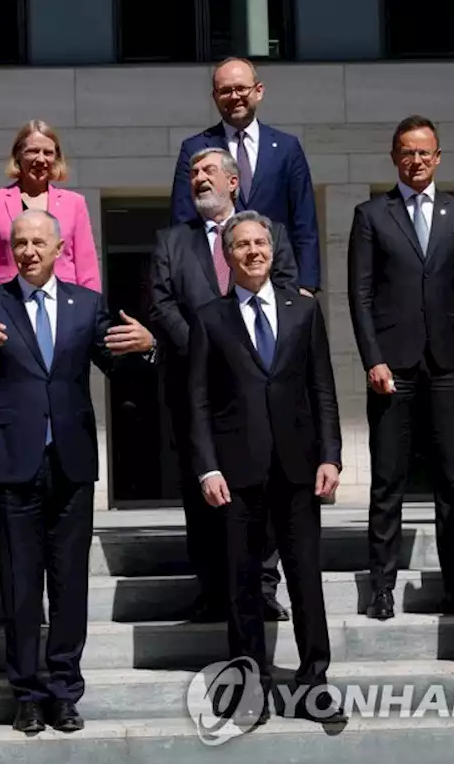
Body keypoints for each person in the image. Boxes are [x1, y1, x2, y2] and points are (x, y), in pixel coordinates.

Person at [0, 209, 153, 734]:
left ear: (60, 248)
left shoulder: (86, 305)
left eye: (38, 241)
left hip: (71, 461)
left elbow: (120, 365)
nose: (28, 251)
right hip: (11, 460)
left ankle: (64, 690)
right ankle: (26, 693)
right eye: (19, 243)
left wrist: (148, 350)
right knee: (19, 585)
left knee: (69, 583)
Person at [188, 210, 345, 726]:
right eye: (242, 245)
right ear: (227, 255)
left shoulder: (303, 310)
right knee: (241, 583)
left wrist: (331, 454)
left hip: (299, 466)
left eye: (261, 243)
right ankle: (247, 685)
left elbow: (322, 387)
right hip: (236, 472)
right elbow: (199, 402)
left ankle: (314, 681)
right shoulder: (210, 318)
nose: (253, 252)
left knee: (304, 578)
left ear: (272, 250)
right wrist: (208, 467)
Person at [348, 116, 454, 621]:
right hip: (394, 366)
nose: (417, 160)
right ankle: (382, 588)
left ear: (438, 156)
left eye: (426, 152)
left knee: (453, 482)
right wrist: (373, 359)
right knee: (388, 480)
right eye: (407, 152)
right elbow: (359, 296)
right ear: (394, 157)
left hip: (451, 364)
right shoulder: (371, 214)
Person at [149, 146, 296, 623]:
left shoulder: (267, 235)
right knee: (204, 490)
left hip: (261, 388)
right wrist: (207, 347)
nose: (198, 179)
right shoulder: (172, 242)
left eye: (208, 170)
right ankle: (212, 590)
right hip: (195, 387)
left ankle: (265, 589)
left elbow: (288, 293)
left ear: (233, 181)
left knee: (266, 488)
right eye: (192, 173)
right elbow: (161, 305)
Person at [169, 57, 321, 293]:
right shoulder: (195, 148)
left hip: (278, 279)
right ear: (215, 97)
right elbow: (182, 220)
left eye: (241, 88)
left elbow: (304, 220)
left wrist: (307, 285)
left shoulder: (286, 148)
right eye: (225, 91)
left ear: (258, 91)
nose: (234, 96)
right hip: (217, 284)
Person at [0, 120, 101, 291]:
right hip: (9, 302)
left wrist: (91, 309)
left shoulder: (75, 203)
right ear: (18, 155)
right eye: (33, 151)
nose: (41, 159)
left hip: (65, 303)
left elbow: (87, 269)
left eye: (48, 153)